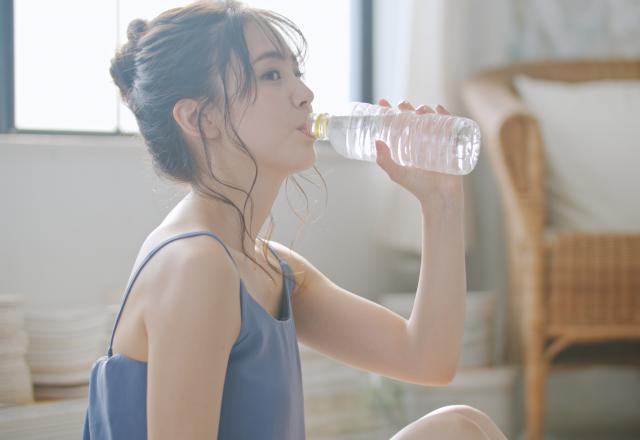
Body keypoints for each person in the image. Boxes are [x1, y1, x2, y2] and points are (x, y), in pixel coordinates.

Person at [83, 1, 508, 439]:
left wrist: (441, 203)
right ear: (200, 118)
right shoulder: (196, 266)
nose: (304, 94)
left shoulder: (265, 264)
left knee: (462, 427)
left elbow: (428, 358)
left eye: (296, 72)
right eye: (271, 75)